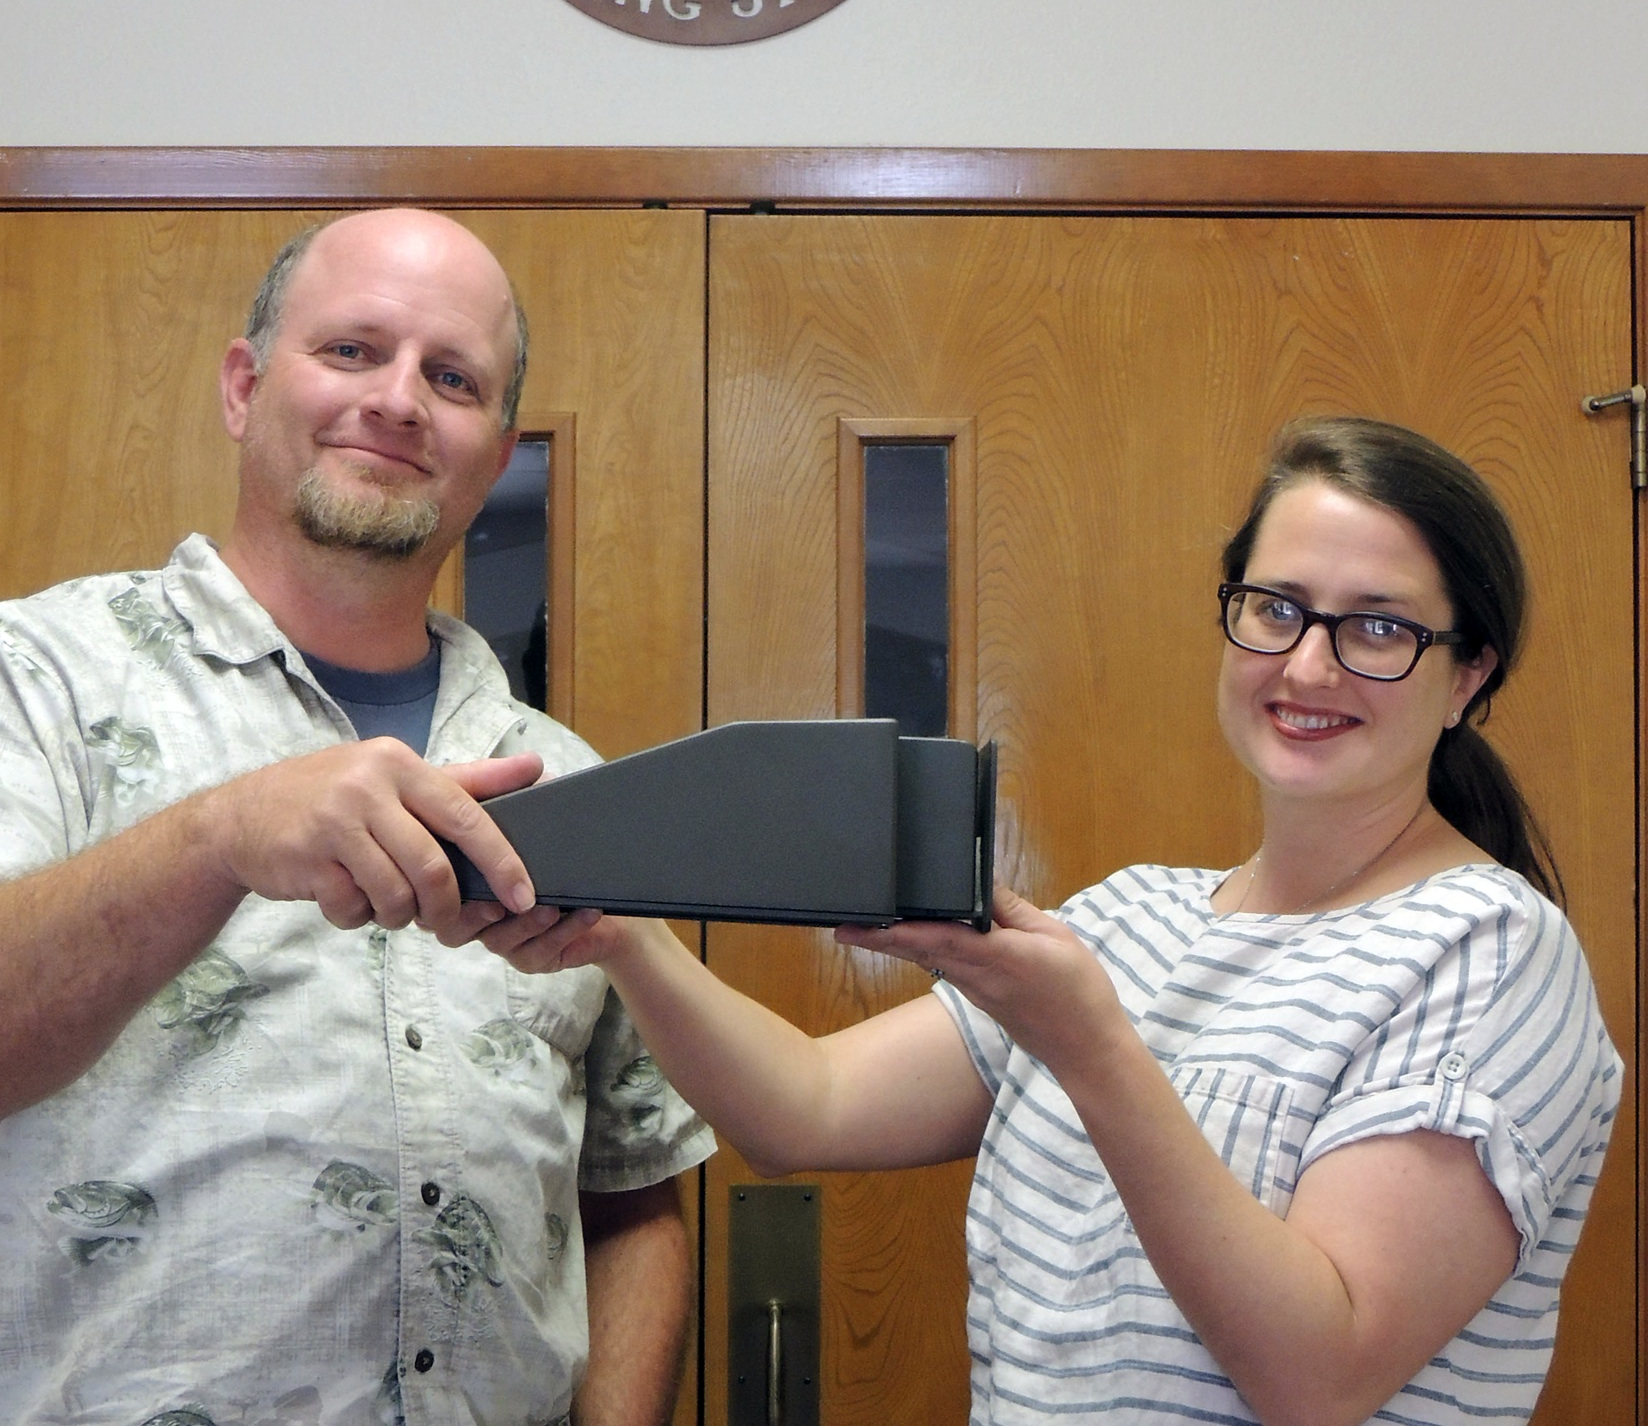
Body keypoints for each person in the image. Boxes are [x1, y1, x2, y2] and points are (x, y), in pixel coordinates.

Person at [489, 416, 1619, 1426]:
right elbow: (806, 1107)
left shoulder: (1489, 951)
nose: (1308, 662)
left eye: (1379, 627)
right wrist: (617, 936)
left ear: (1469, 673)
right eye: (1276, 608)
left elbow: (1317, 1376)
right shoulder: (1130, 917)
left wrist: (1092, 1045)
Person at [0, 209, 712, 1426]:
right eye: (353, 351)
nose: (401, 399)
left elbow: (629, 1187)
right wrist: (215, 838)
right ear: (245, 386)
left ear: (495, 446)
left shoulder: (565, 779)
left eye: (451, 376)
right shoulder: (23, 678)